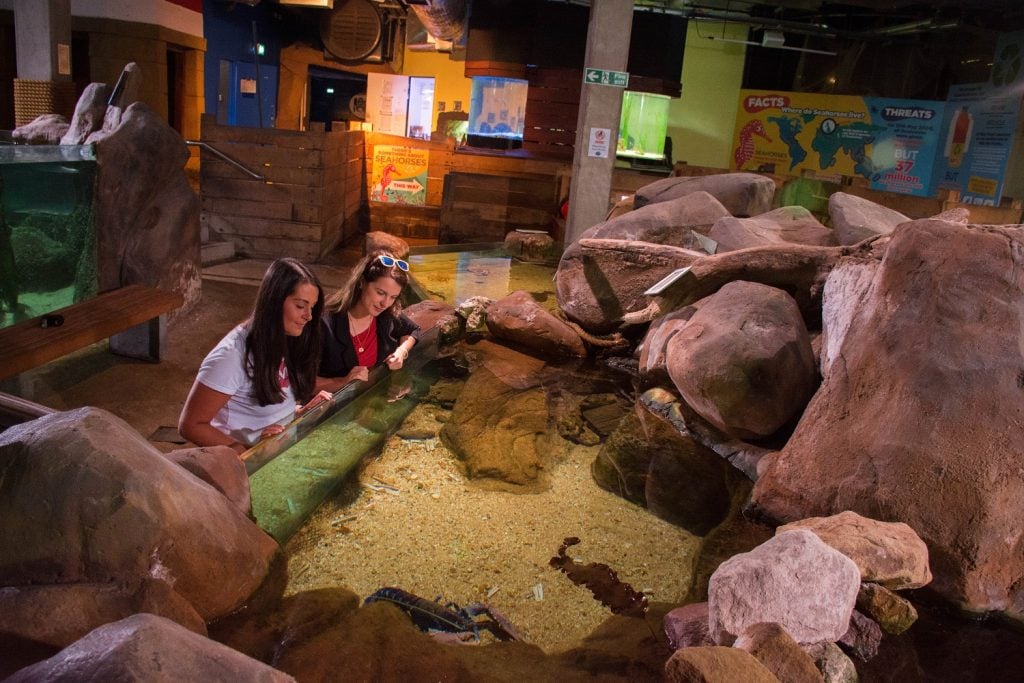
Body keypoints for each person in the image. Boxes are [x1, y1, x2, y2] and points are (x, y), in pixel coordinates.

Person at [179, 258, 330, 454]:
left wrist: (302, 413)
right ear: (274, 301)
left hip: (279, 449)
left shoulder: (288, 336)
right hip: (245, 461)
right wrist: (251, 452)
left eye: (312, 307)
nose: (309, 316)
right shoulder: (232, 355)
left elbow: (270, 408)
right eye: (301, 306)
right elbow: (191, 425)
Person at [318, 252, 419, 393]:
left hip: (372, 401)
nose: (385, 303)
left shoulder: (386, 314)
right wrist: (343, 382)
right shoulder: (324, 323)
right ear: (362, 283)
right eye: (380, 293)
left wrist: (401, 352)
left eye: (393, 297)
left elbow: (412, 330)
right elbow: (301, 383)